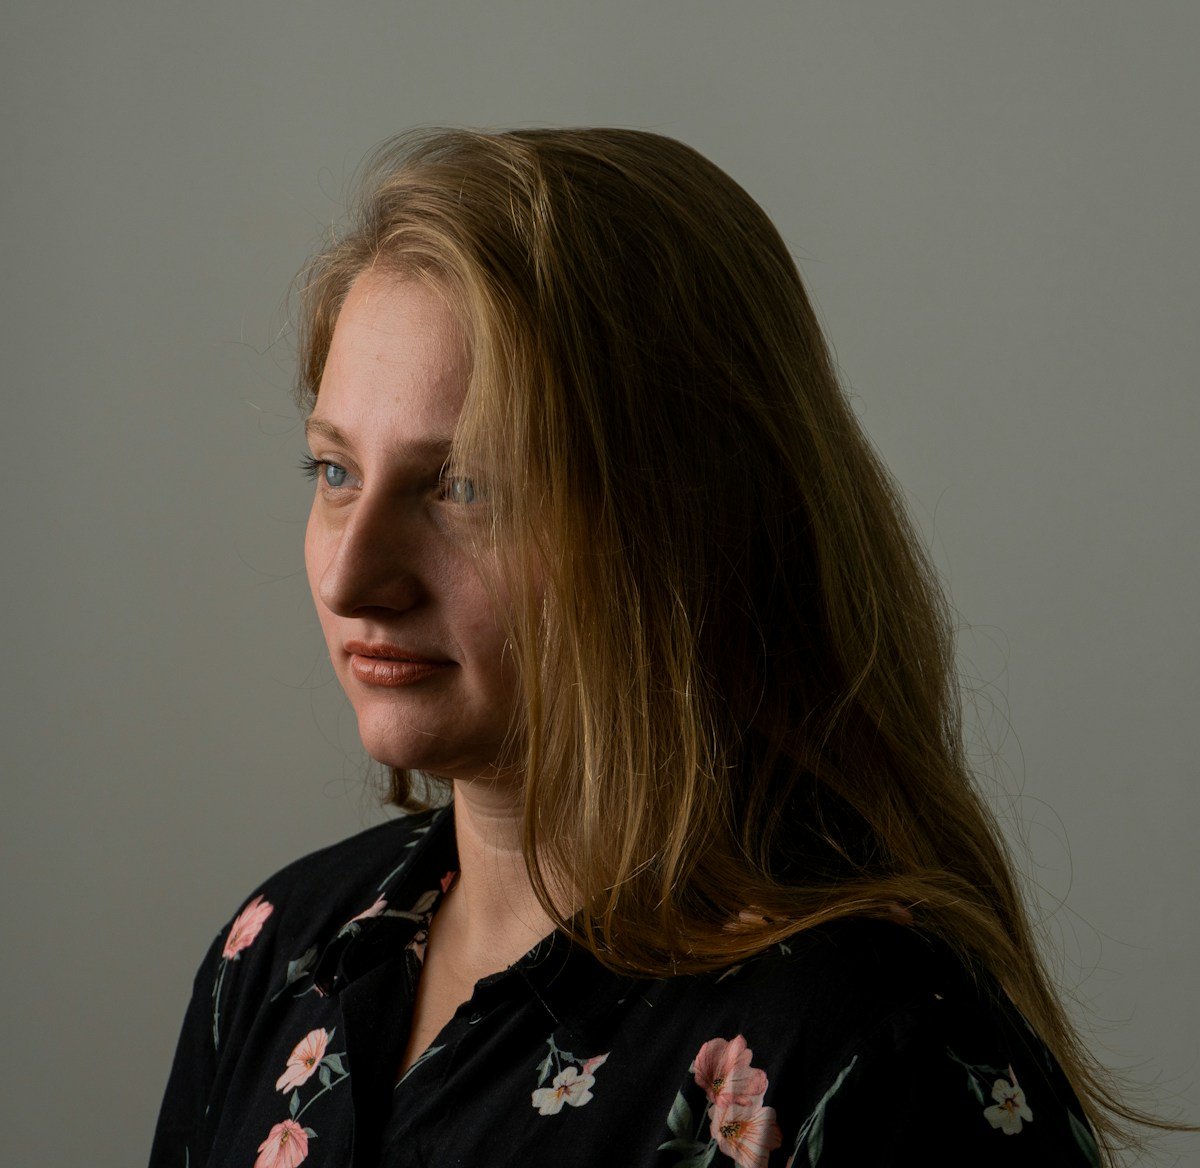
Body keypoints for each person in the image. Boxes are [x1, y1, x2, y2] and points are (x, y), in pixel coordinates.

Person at [150, 127, 1163, 1167]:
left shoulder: (873, 1047)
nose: (349, 578)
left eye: (464, 487)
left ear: (685, 521)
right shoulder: (277, 951)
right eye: (334, 472)